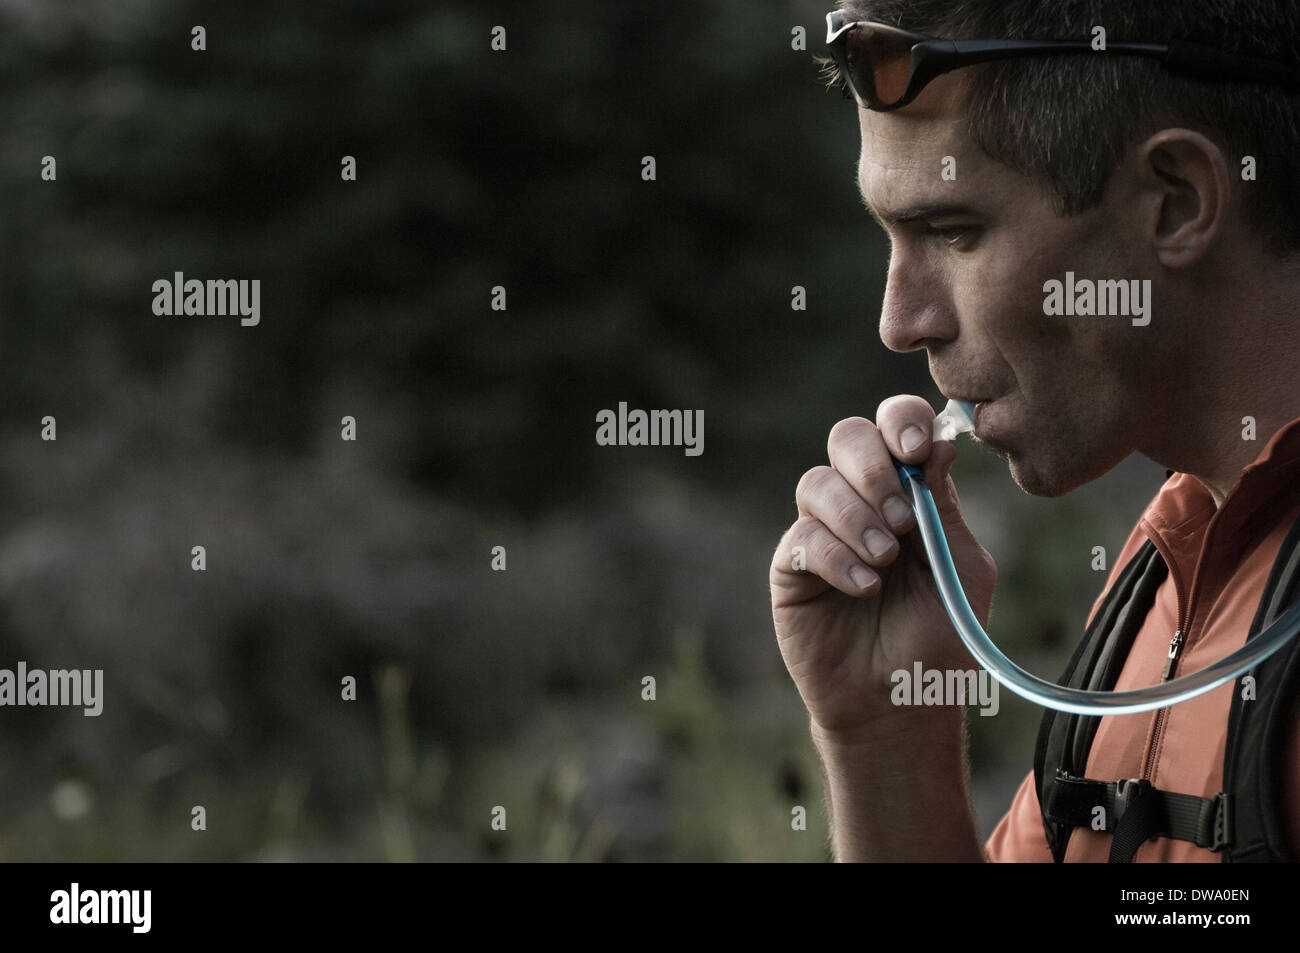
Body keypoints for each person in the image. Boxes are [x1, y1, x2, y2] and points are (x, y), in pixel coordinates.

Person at [771, 0, 1300, 861]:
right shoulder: (1168, 565)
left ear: (1175, 202)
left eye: (951, 231)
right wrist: (887, 737)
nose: (900, 323)